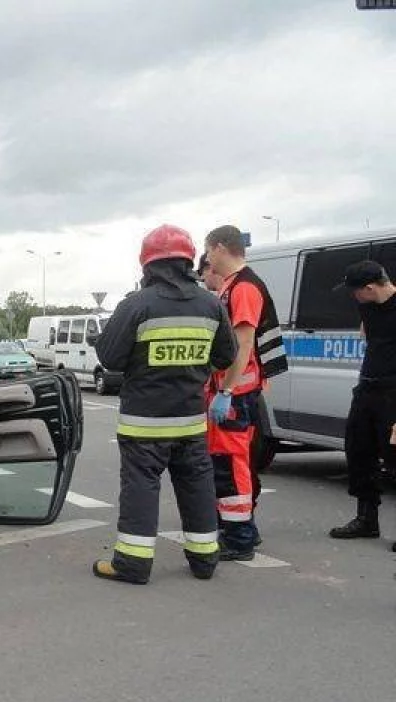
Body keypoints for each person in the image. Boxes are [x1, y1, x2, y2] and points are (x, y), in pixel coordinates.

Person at [91, 224, 238, 584]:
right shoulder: (210, 304)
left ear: (147, 264)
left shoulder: (137, 305)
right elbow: (226, 356)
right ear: (189, 261)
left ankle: (132, 564)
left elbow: (109, 358)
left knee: (141, 488)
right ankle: (205, 561)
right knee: (197, 487)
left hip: (144, 423)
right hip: (190, 421)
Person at [203, 225, 288, 561]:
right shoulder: (235, 286)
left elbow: (243, 345)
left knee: (231, 464)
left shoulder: (245, 288)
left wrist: (226, 390)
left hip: (236, 393)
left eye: (208, 250)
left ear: (221, 248)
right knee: (228, 462)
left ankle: (239, 537)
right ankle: (239, 531)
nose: (207, 257)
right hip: (234, 390)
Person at [327, 260, 396, 548]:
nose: (353, 296)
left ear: (370, 287)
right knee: (358, 450)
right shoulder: (367, 306)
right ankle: (366, 519)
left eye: (356, 291)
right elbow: (367, 336)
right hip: (368, 386)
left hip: (394, 392)